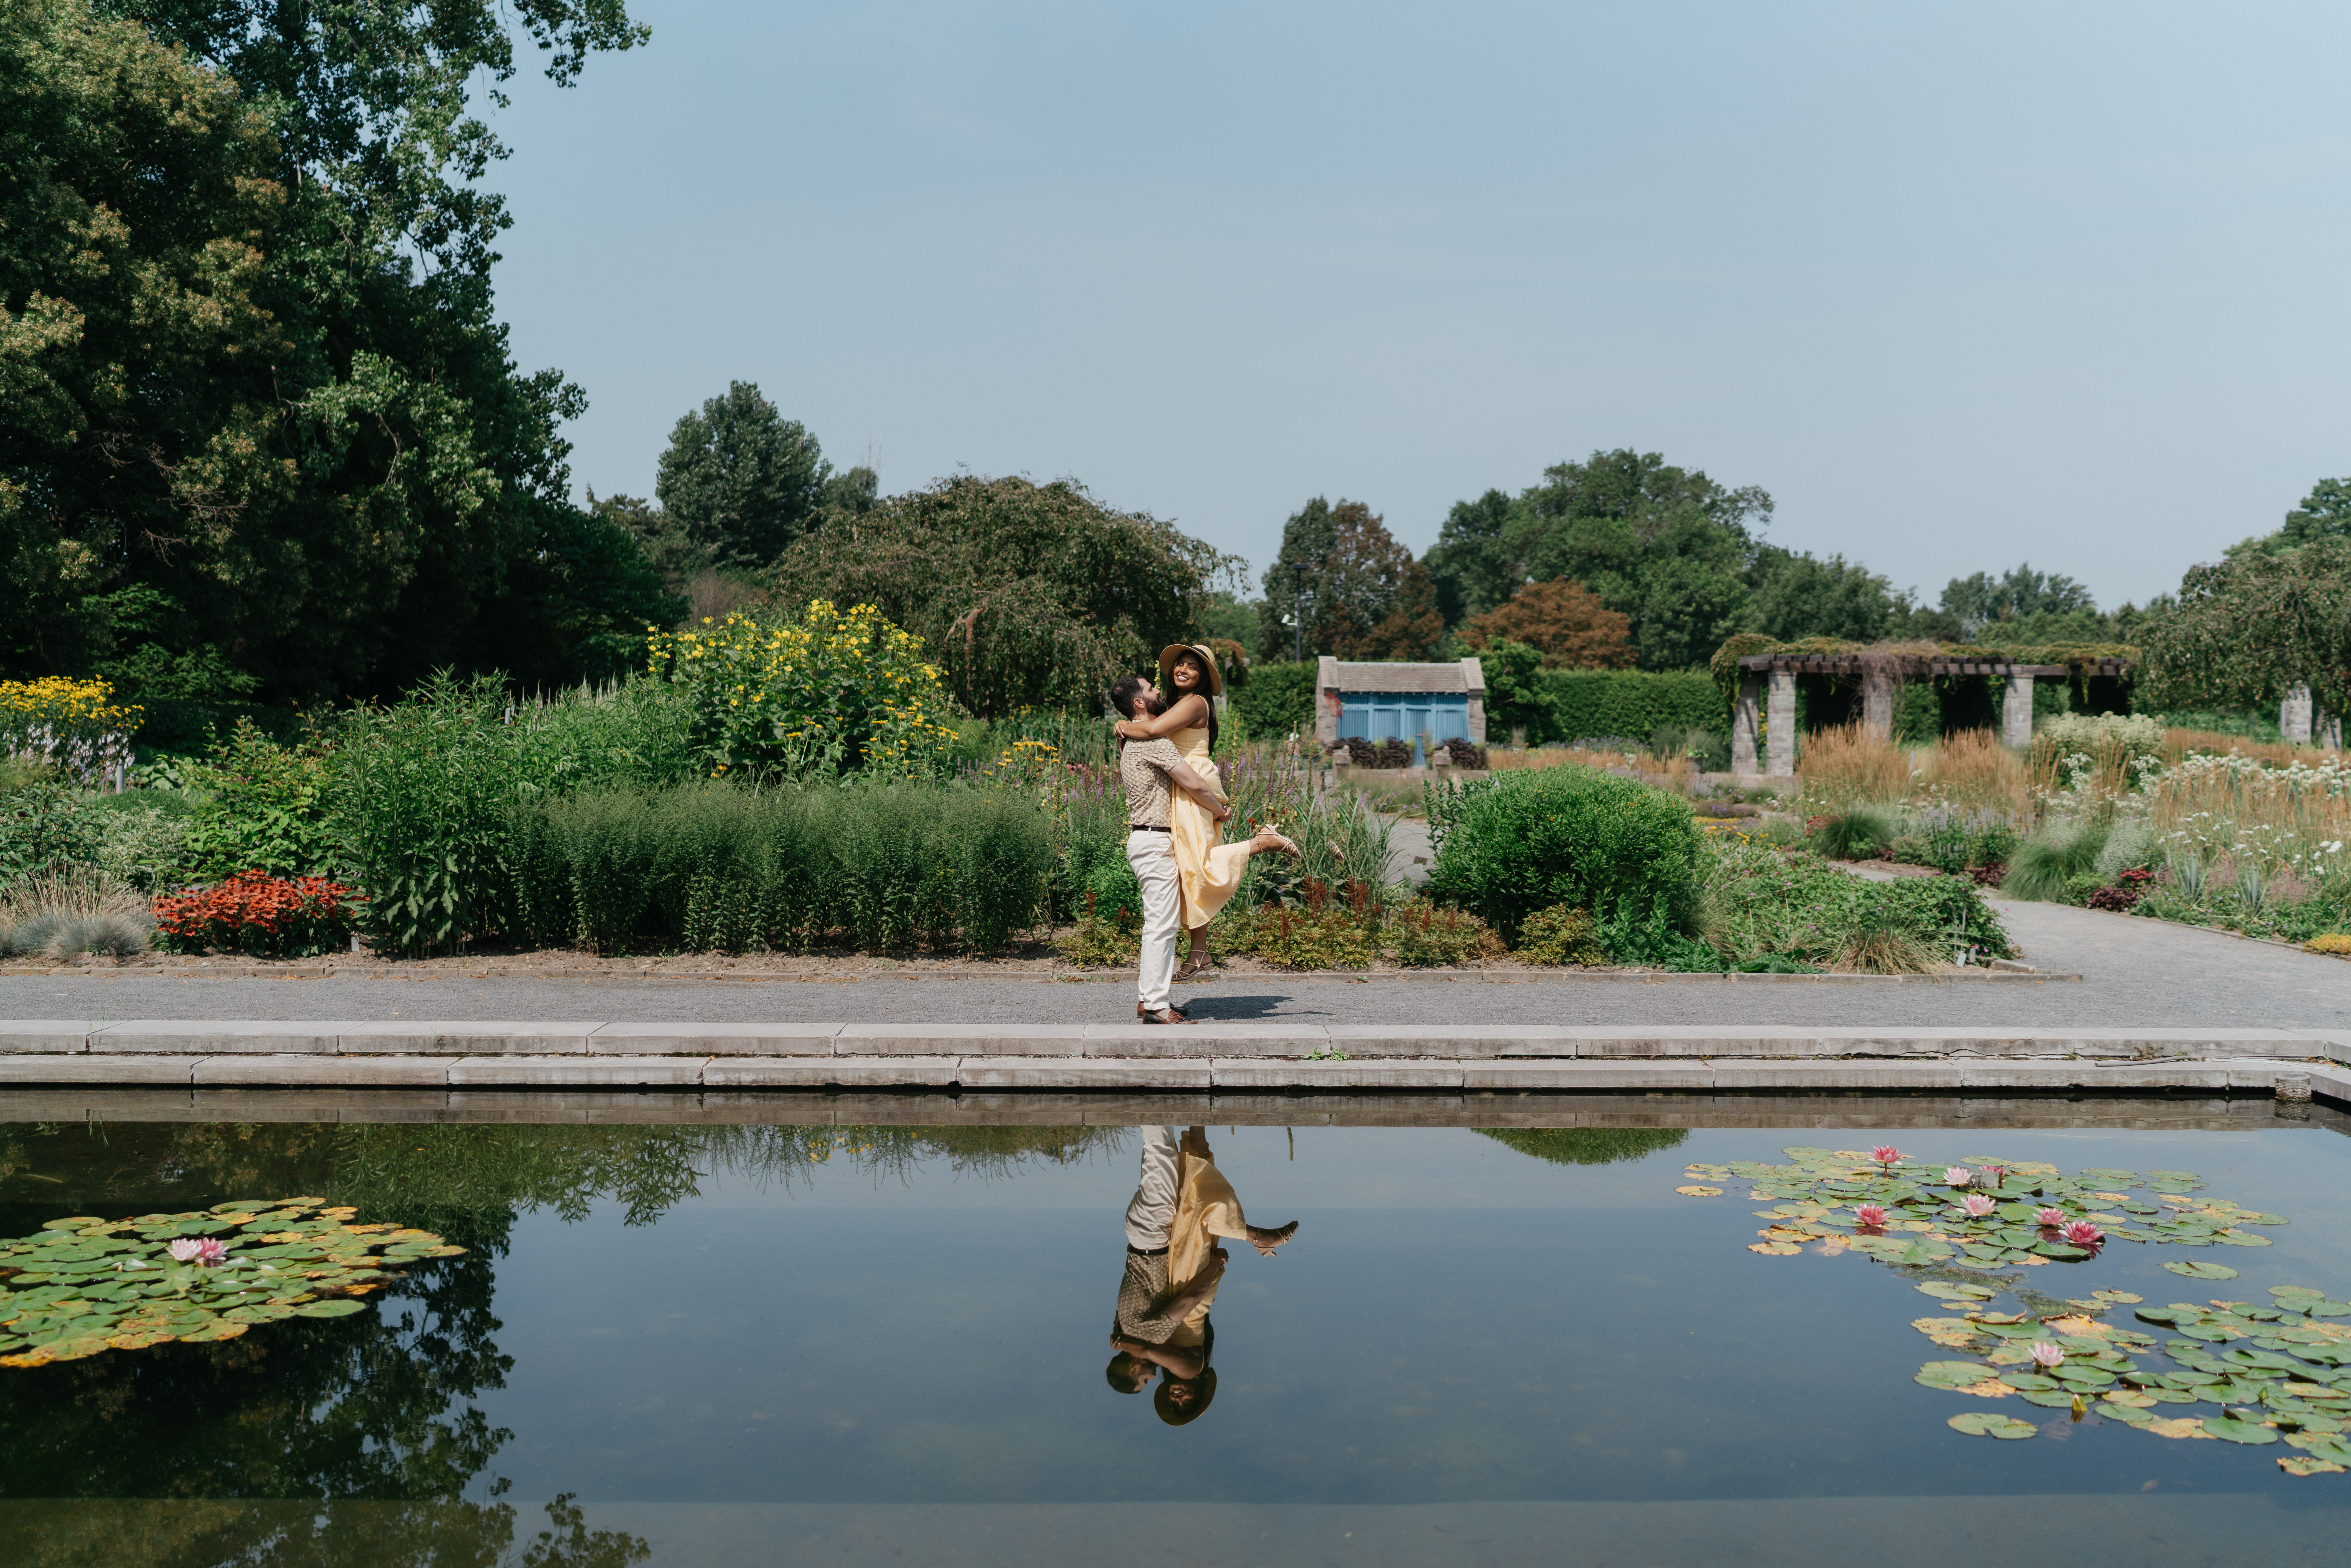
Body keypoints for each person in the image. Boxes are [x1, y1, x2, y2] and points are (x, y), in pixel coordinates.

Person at [1112, 645, 1298, 981]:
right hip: (1179, 778)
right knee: (1189, 866)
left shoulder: (1195, 703)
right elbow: (1151, 728)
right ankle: (1200, 952)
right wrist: (1124, 724)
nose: (1183, 670)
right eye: (1180, 665)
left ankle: (1262, 842)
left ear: (1203, 677)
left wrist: (1123, 725)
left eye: (1192, 667)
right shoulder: (1173, 705)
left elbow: (1152, 732)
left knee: (1199, 862)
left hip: (1191, 778)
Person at [1106, 1125, 1299, 1427]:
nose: (1175, 1397)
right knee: (1191, 1207)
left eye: (1173, 1402)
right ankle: (1196, 1126)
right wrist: (1121, 1342)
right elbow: (1146, 1344)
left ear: (1133, 1371)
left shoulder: (1145, 1338)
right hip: (1180, 1283)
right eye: (1184, 1402)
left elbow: (1147, 1342)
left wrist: (1215, 1266)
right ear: (1197, 1391)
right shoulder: (1187, 1367)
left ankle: (1259, 1237)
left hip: (1171, 1270)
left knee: (1187, 1203)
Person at [1110, 674, 1231, 1026]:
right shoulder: (1154, 741)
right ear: (1138, 703)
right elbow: (1193, 783)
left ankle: (1148, 999)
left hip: (1146, 838)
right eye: (1149, 690)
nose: (1157, 693)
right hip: (1156, 840)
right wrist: (1219, 808)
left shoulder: (1130, 739)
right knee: (1161, 927)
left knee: (1157, 924)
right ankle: (1157, 1007)